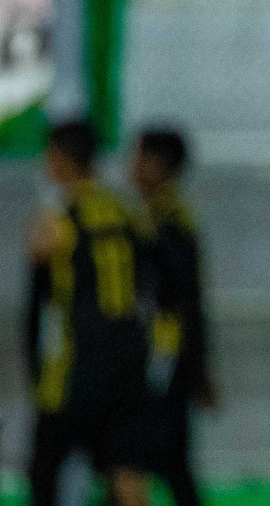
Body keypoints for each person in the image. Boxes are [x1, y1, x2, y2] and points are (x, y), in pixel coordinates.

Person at [25, 120, 151, 506]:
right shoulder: (126, 211)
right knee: (123, 466)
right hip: (128, 356)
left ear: (62, 161)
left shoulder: (57, 222)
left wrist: (34, 363)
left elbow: (39, 300)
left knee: (45, 467)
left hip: (79, 363)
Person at [129, 129, 214, 506]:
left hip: (162, 357)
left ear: (160, 166)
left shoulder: (171, 225)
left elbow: (186, 301)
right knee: (166, 458)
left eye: (139, 157)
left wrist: (195, 366)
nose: (131, 166)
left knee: (144, 455)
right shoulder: (149, 219)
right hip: (157, 355)